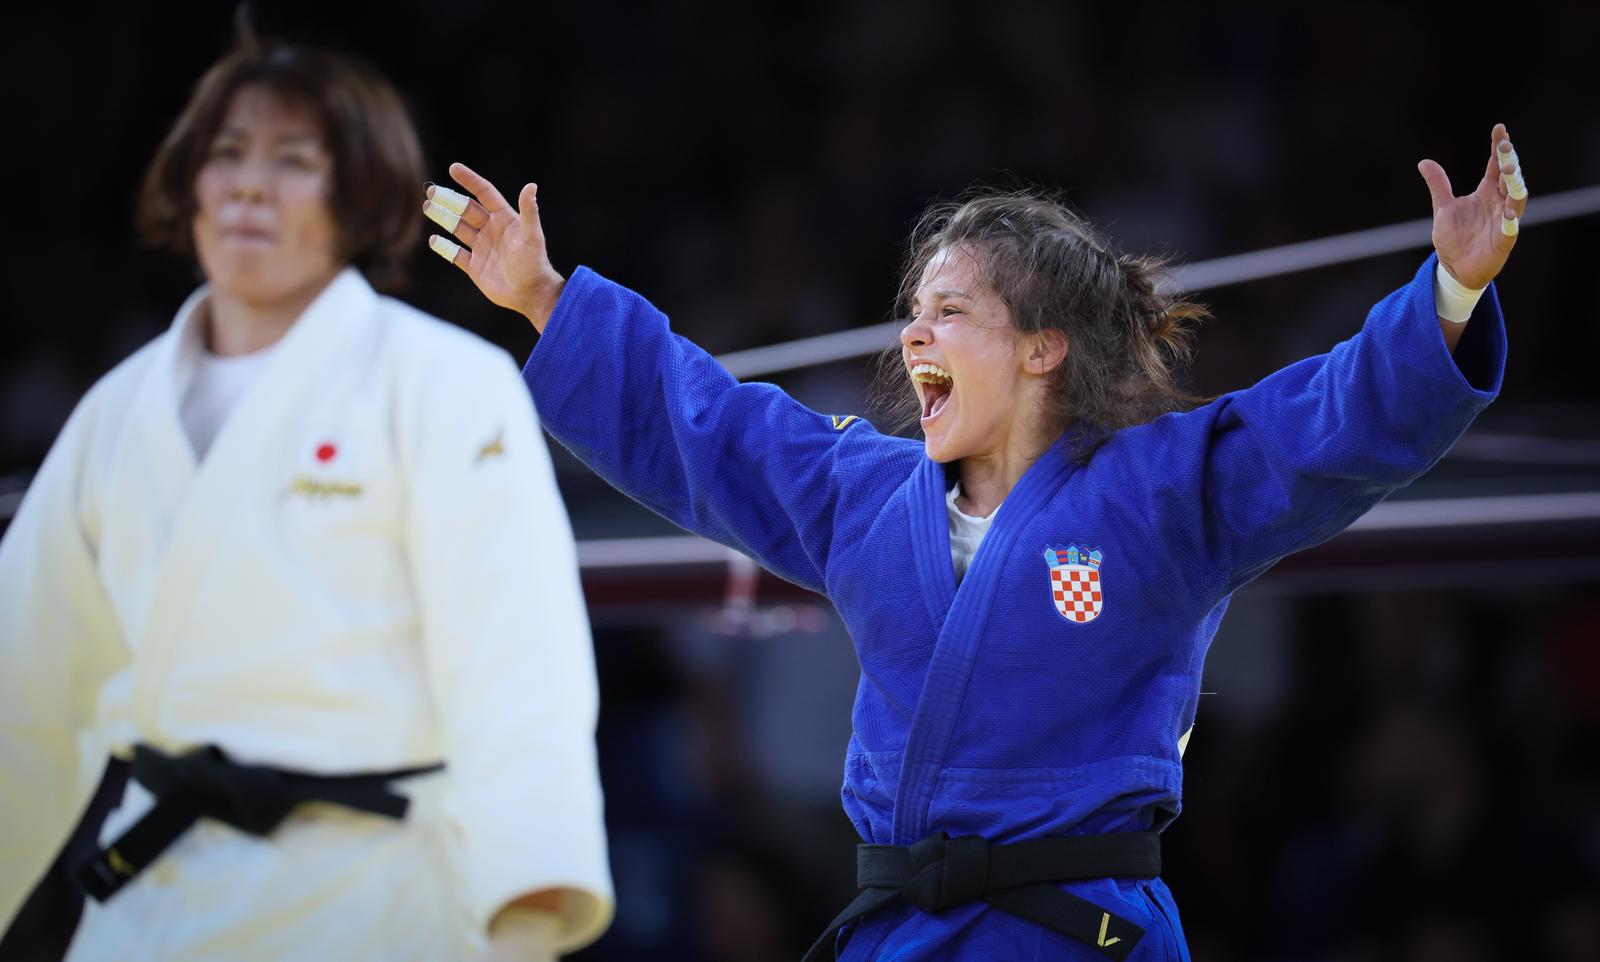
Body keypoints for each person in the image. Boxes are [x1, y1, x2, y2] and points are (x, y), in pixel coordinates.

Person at [422, 125, 1524, 960]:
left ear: (1042, 348)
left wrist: (1451, 291)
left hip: (1074, 927)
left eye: (948, 309)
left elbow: (1319, 420)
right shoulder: (866, 493)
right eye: (913, 308)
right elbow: (704, 427)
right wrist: (547, 299)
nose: (911, 331)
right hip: (898, 929)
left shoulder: (1153, 494)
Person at [0, 36, 612, 962]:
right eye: (228, 154)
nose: (251, 186)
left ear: (355, 196)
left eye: (292, 162)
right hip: (157, 903)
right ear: (190, 185)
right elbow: (27, 693)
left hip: (376, 898)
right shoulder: (118, 412)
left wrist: (525, 914)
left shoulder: (446, 384)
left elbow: (518, 669)